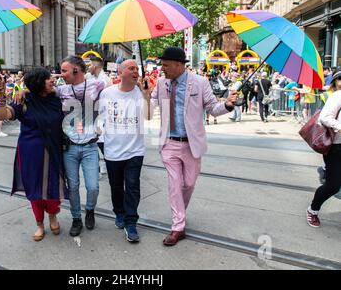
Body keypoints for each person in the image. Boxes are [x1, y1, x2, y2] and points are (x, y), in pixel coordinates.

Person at [148, 47, 237, 246]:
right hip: (168, 142)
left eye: (166, 65)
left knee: (187, 184)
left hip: (191, 144)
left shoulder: (200, 82)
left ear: (179, 65)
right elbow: (150, 106)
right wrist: (145, 95)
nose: (162, 68)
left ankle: (179, 211)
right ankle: (178, 226)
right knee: (174, 184)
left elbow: (213, 109)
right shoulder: (161, 84)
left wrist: (228, 105)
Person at [0, 68, 68, 241]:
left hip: (53, 149)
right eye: (48, 78)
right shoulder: (24, 100)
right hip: (30, 151)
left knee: (53, 185)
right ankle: (39, 224)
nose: (52, 80)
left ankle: (52, 216)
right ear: (38, 83)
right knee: (34, 188)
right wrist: (0, 94)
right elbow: (4, 114)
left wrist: (24, 89)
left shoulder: (57, 99)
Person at [98, 59, 150, 243]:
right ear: (120, 73)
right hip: (112, 149)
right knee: (116, 186)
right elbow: (100, 118)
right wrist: (100, 137)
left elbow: (148, 116)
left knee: (133, 186)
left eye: (137, 68)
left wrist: (146, 96)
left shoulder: (141, 93)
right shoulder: (107, 93)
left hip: (135, 150)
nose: (135, 70)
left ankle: (131, 222)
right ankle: (119, 212)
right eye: (131, 68)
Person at [58, 56, 105, 236]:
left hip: (90, 147)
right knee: (74, 186)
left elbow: (116, 91)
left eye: (64, 70)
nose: (61, 74)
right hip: (69, 148)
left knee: (93, 186)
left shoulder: (97, 85)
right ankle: (76, 218)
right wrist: (25, 92)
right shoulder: (61, 90)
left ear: (77, 70)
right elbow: (41, 92)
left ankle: (90, 210)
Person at [306, 71, 341, 227]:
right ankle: (313, 210)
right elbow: (324, 118)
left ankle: (326, 170)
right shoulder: (337, 96)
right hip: (336, 146)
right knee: (333, 186)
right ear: (335, 82)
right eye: (340, 79)